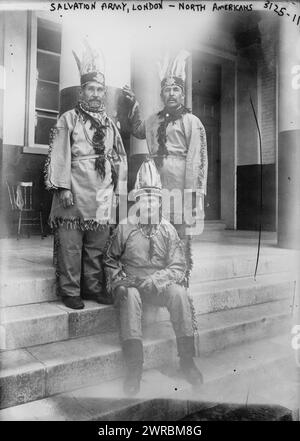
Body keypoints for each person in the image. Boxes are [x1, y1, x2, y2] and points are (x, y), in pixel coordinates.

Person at [103, 159, 203, 396]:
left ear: (159, 202)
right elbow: (110, 259)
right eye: (144, 200)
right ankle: (134, 369)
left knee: (179, 294)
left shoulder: (167, 229)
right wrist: (121, 280)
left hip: (159, 285)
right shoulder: (125, 228)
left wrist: (158, 280)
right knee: (129, 295)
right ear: (137, 202)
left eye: (153, 200)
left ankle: (187, 361)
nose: (149, 205)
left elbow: (178, 265)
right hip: (133, 285)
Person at [45, 42, 127, 310]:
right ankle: (70, 290)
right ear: (81, 92)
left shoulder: (110, 123)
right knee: (71, 245)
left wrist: (117, 191)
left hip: (102, 192)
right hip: (74, 190)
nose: (95, 94)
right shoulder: (67, 119)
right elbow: (59, 154)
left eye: (99, 90)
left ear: (104, 94)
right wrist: (63, 187)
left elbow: (119, 157)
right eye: (90, 89)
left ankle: (92, 287)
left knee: (97, 246)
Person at [123, 50, 208, 258]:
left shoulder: (192, 122)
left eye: (176, 89)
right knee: (155, 228)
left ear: (182, 94)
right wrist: (132, 104)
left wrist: (193, 194)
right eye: (167, 90)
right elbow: (137, 130)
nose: (171, 93)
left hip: (179, 183)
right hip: (155, 183)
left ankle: (179, 276)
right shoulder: (153, 120)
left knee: (179, 231)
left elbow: (197, 160)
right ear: (162, 94)